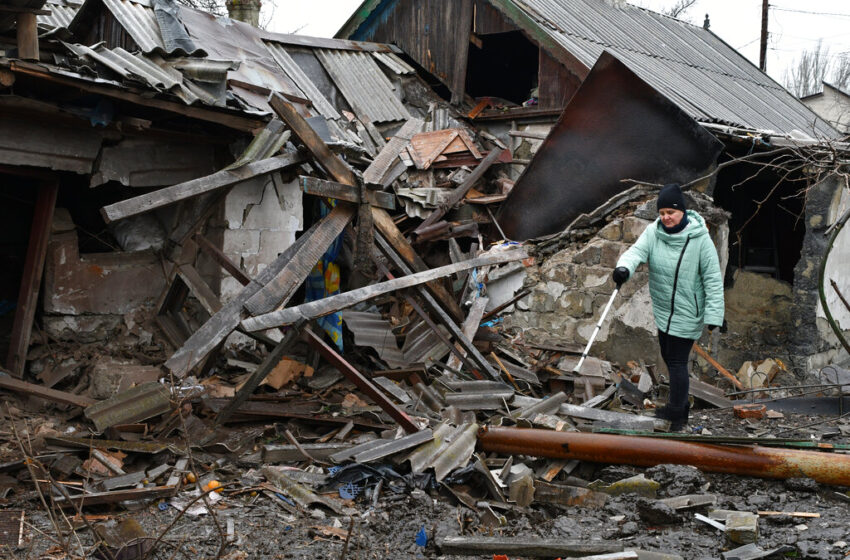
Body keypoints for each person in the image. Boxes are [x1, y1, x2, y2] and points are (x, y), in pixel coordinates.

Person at [612, 183, 725, 431]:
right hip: (664, 309)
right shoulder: (654, 232)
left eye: (670, 213)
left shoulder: (700, 239)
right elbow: (636, 252)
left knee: (676, 362)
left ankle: (676, 415)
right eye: (662, 213)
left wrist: (714, 315)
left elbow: (712, 278)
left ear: (682, 211)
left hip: (688, 310)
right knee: (669, 356)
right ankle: (679, 407)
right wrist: (624, 268)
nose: (666, 217)